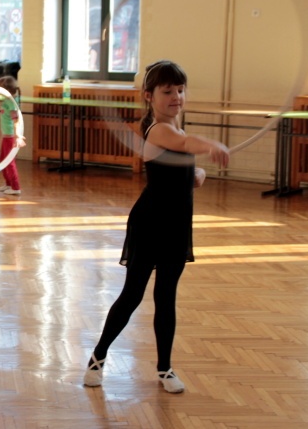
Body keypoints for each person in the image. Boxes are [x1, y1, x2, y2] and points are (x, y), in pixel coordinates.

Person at [83, 60, 229, 393]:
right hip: (150, 223)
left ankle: (165, 369)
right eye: (167, 91)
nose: (176, 97)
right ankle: (97, 357)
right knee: (132, 295)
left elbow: (178, 168)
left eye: (180, 90)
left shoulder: (176, 132)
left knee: (166, 297)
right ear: (149, 96)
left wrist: (197, 174)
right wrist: (212, 145)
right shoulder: (159, 130)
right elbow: (185, 145)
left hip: (176, 224)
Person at [0, 76, 25, 195]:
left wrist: (17, 136)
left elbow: (16, 120)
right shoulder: (7, 100)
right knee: (2, 160)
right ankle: (8, 184)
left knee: (9, 162)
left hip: (10, 137)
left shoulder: (11, 103)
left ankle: (16, 187)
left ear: (6, 90)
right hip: (6, 136)